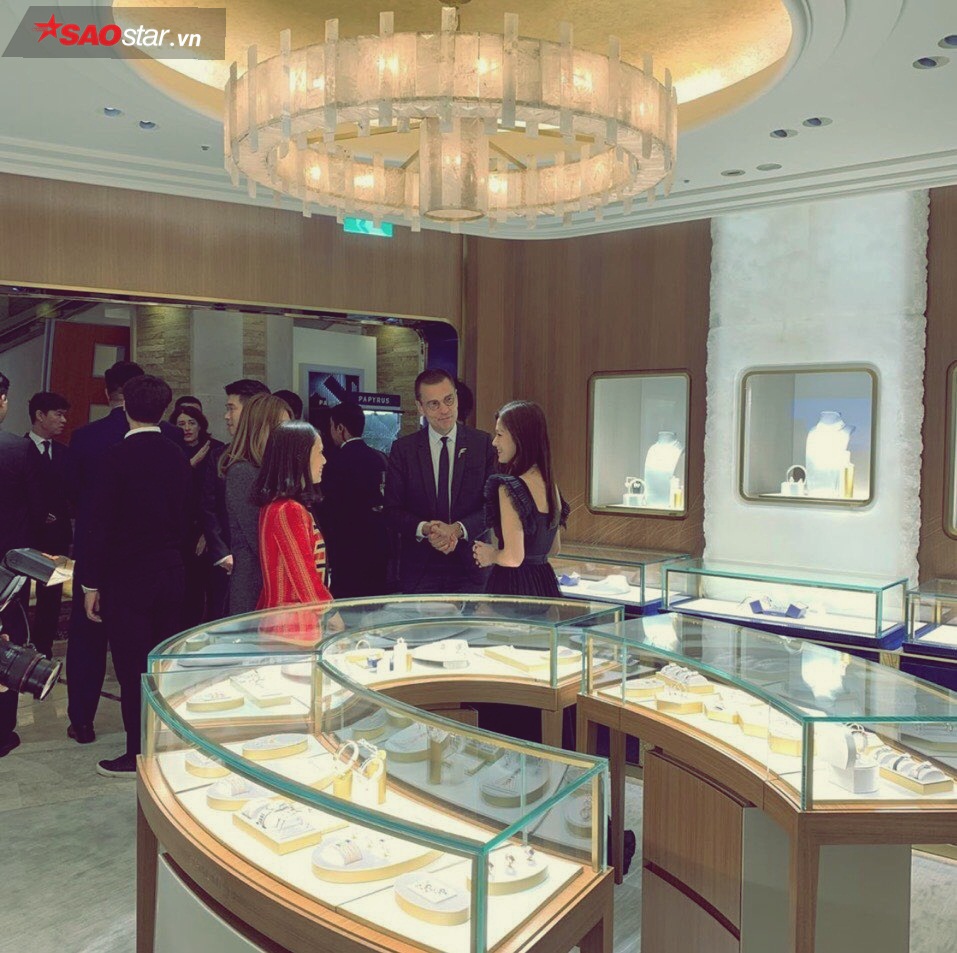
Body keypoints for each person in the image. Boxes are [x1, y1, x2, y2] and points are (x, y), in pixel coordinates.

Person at [79, 374, 192, 777]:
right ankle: (164, 743)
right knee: (163, 663)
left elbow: (97, 525)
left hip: (126, 578)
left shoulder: (113, 457)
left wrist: (90, 583)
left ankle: (137, 752)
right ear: (164, 409)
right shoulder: (177, 455)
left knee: (132, 668)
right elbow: (188, 517)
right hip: (171, 572)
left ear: (125, 406)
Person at [64, 360, 151, 744]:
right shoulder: (165, 435)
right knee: (145, 642)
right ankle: (146, 724)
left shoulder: (86, 437)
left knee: (87, 641)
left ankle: (82, 721)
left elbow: (72, 495)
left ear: (107, 391)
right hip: (146, 558)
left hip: (94, 553)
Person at [385, 368, 496, 594]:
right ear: (420, 407)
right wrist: (427, 529)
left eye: (448, 400)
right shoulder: (403, 450)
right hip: (420, 570)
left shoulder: (482, 444)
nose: (444, 410)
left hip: (471, 566)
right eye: (434, 404)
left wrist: (457, 530)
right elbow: (392, 510)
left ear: (456, 397)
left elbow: (493, 507)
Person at [472, 400, 568, 596]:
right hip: (544, 582)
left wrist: (491, 555)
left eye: (500, 435)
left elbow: (513, 558)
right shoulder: (551, 486)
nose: (494, 442)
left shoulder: (509, 488)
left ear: (519, 437)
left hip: (513, 585)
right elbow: (554, 548)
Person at [201, 379, 269, 619]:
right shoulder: (221, 456)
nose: (226, 416)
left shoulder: (275, 455)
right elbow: (208, 507)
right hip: (230, 561)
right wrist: (221, 552)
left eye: (231, 408)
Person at [0, 372, 42, 758]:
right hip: (8, 566)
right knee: (8, 642)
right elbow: (37, 507)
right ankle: (1, 730)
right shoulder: (18, 449)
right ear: (2, 401)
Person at [220, 392, 291, 615]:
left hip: (272, 585)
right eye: (281, 428)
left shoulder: (271, 471)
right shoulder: (243, 472)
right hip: (256, 589)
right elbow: (262, 539)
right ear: (260, 429)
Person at [254, 420, 333, 611]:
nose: (324, 460)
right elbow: (304, 577)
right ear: (300, 457)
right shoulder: (288, 510)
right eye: (319, 452)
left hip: (283, 617)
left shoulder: (274, 506)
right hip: (295, 621)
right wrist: (330, 613)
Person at [319, 401, 388, 597]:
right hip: (377, 544)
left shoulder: (333, 462)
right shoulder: (379, 458)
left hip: (345, 547)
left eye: (331, 426)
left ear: (340, 428)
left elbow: (329, 509)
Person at [24, 391, 72, 659]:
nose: (63, 420)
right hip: (26, 535)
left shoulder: (65, 453)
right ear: (40, 416)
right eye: (58, 414)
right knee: (19, 595)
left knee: (51, 597)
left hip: (57, 536)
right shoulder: (18, 449)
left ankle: (45, 651)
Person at [174, 406, 225, 626]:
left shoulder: (216, 450)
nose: (187, 428)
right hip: (181, 531)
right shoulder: (173, 451)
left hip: (210, 530)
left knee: (214, 592)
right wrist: (190, 464)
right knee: (188, 593)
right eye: (181, 424)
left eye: (191, 423)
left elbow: (218, 499)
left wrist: (207, 533)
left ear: (200, 425)